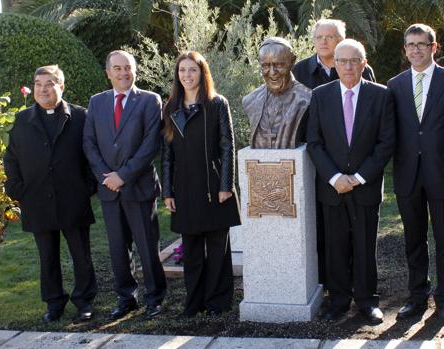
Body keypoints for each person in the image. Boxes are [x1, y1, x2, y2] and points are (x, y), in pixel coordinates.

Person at [387, 23, 444, 324]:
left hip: (442, 172)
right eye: (410, 44)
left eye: (422, 44)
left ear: (434, 47)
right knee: (413, 239)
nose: (416, 49)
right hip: (407, 174)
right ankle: (417, 296)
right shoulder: (394, 86)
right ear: (405, 49)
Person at [307, 39, 394, 325]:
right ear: (335, 64)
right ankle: (339, 302)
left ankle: (367, 302)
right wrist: (334, 177)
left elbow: (385, 143)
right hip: (332, 189)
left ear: (363, 64)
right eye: (341, 60)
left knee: (365, 245)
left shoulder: (381, 96)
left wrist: (356, 178)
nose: (347, 66)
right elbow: (314, 142)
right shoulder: (320, 96)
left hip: (364, 186)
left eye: (353, 61)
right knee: (335, 246)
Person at [4, 65, 97, 323]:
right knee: (47, 257)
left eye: (49, 84)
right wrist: (17, 189)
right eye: (38, 84)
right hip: (36, 199)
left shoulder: (80, 116)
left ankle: (84, 301)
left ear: (61, 87)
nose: (43, 89)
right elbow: (11, 158)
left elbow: (91, 154)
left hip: (73, 198)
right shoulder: (22, 120)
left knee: (81, 255)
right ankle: (54, 303)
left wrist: (88, 186)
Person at [292, 18, 377, 290]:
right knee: (328, 234)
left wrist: (359, 175)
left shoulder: (364, 73)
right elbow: (309, 132)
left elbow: (373, 120)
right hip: (321, 168)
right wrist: (333, 174)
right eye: (320, 37)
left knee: (361, 237)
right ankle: (331, 287)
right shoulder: (300, 72)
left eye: (331, 37)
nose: (325, 41)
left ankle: (361, 289)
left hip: (362, 173)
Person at [83, 50, 167, 320]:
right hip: (108, 189)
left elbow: (151, 144)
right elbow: (89, 143)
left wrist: (124, 175)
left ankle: (155, 298)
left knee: (147, 246)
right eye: (117, 68)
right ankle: (126, 298)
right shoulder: (96, 103)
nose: (123, 73)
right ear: (108, 72)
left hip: (139, 187)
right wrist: (106, 176)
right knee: (118, 248)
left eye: (128, 67)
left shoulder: (150, 101)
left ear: (135, 71)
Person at [161, 51, 241, 318]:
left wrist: (226, 185)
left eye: (192, 70)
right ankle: (194, 303)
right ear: (177, 75)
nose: (187, 75)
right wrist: (168, 191)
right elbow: (167, 154)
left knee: (218, 247)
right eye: (182, 70)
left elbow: (228, 145)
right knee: (192, 249)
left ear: (202, 73)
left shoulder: (217, 103)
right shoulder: (171, 106)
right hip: (185, 188)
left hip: (216, 185)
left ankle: (218, 302)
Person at [243, 37, 311, 149]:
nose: (272, 72)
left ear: (292, 62)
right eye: (265, 66)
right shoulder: (250, 100)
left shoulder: (307, 98)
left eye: (279, 65)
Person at [292, 18, 376, 89]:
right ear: (313, 41)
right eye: (319, 37)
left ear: (341, 40)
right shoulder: (299, 70)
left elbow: (372, 99)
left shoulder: (359, 68)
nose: (323, 42)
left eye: (329, 37)